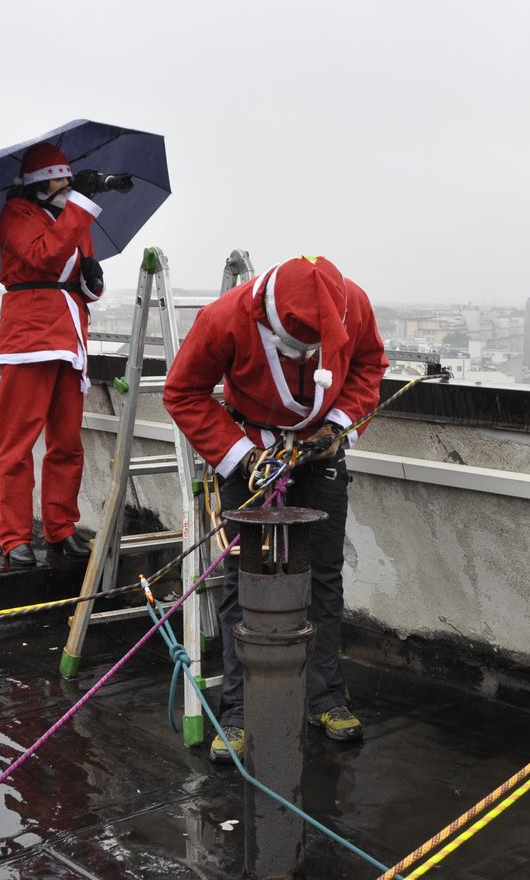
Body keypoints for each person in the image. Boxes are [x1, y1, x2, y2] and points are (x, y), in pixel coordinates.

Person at [163, 255, 388, 763]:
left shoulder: (353, 305)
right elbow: (183, 392)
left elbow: (371, 365)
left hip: (320, 452)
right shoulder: (224, 318)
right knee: (246, 581)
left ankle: (324, 696)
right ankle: (240, 712)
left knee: (324, 576)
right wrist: (243, 459)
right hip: (247, 452)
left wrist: (338, 425)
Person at [0, 142, 109, 568]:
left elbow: (79, 280)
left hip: (70, 338)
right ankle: (15, 536)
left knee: (66, 442)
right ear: (40, 182)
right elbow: (45, 255)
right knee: (16, 443)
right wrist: (81, 205)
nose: (68, 184)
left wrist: (93, 281)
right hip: (28, 339)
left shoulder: (73, 217)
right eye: (61, 178)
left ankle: (61, 527)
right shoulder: (15, 216)